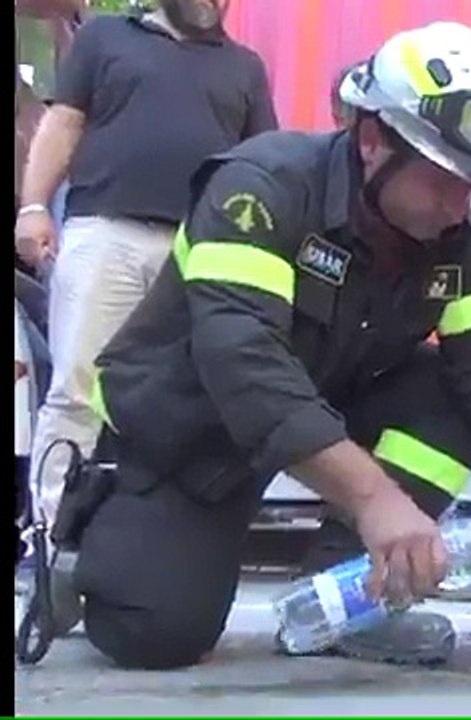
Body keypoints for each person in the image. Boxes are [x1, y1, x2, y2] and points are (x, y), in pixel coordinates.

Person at [51, 21, 471, 671]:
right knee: (155, 634)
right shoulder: (261, 188)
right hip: (197, 432)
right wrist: (377, 499)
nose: (459, 204)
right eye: (443, 179)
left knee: (456, 390)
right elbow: (245, 365)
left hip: (320, 409)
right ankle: (86, 557)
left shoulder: (453, 228)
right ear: (373, 141)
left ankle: (347, 596)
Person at [15, 0, 279, 530]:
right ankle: (52, 530)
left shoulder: (245, 67)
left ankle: (153, 530)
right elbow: (63, 124)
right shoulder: (105, 38)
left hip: (199, 251)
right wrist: (34, 206)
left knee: (181, 398)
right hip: (103, 233)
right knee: (78, 387)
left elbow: (262, 161)